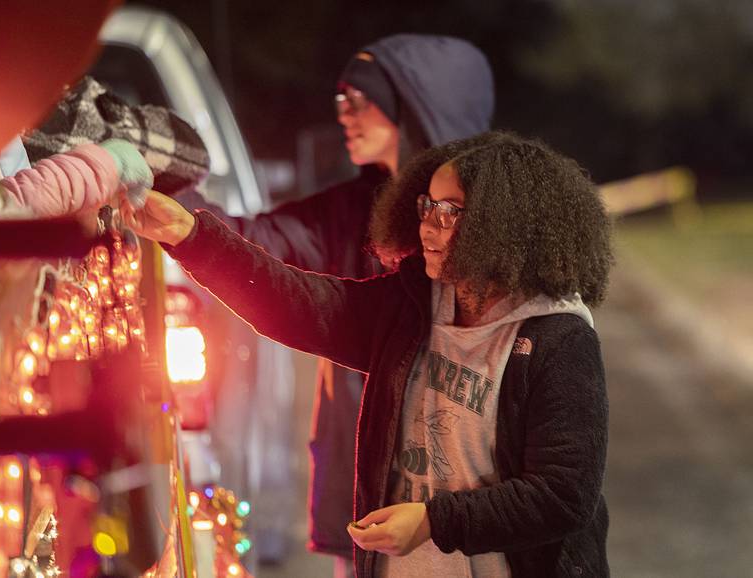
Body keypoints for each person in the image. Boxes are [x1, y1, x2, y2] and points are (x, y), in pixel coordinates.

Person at [124, 130, 613, 577]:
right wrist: (190, 236)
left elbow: (562, 496)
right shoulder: (413, 307)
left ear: (503, 227)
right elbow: (300, 305)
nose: (428, 225)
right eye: (426, 206)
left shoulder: (559, 341)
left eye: (451, 212)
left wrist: (431, 521)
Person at [177, 33, 494, 572]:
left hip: (461, 480)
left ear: (417, 104)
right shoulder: (352, 210)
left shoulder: (491, 228)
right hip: (365, 468)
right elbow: (252, 242)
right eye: (339, 99)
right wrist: (161, 179)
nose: (343, 112)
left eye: (360, 98)